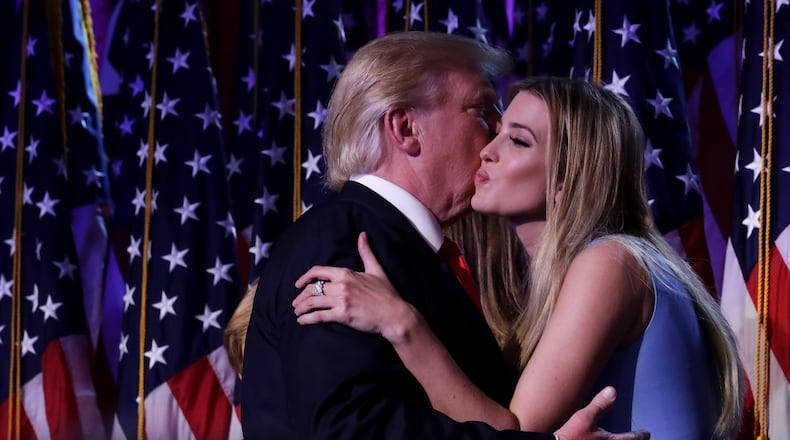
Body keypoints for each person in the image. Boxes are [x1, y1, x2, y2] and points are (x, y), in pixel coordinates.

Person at [241, 32, 648, 440]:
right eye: (482, 110)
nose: (493, 137)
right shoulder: (344, 240)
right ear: (405, 128)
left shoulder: (403, 245)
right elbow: (354, 430)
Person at [292, 77, 745, 438]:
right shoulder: (601, 262)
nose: (487, 150)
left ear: (568, 179)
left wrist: (399, 323)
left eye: (518, 141)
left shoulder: (611, 262)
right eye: (497, 130)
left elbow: (515, 434)